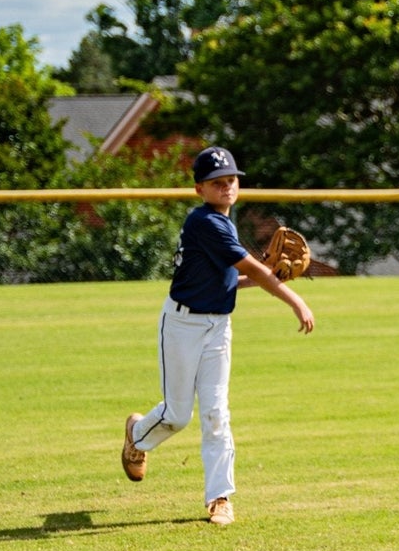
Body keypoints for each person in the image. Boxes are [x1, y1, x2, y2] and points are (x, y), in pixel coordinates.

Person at [120, 146, 314, 525]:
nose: (226, 187)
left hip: (217, 327)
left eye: (231, 181)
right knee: (177, 416)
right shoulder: (204, 223)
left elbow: (230, 281)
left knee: (215, 413)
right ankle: (137, 435)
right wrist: (293, 298)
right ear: (199, 189)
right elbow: (252, 269)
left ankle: (220, 498)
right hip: (182, 326)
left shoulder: (225, 222)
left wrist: (267, 277)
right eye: (217, 182)